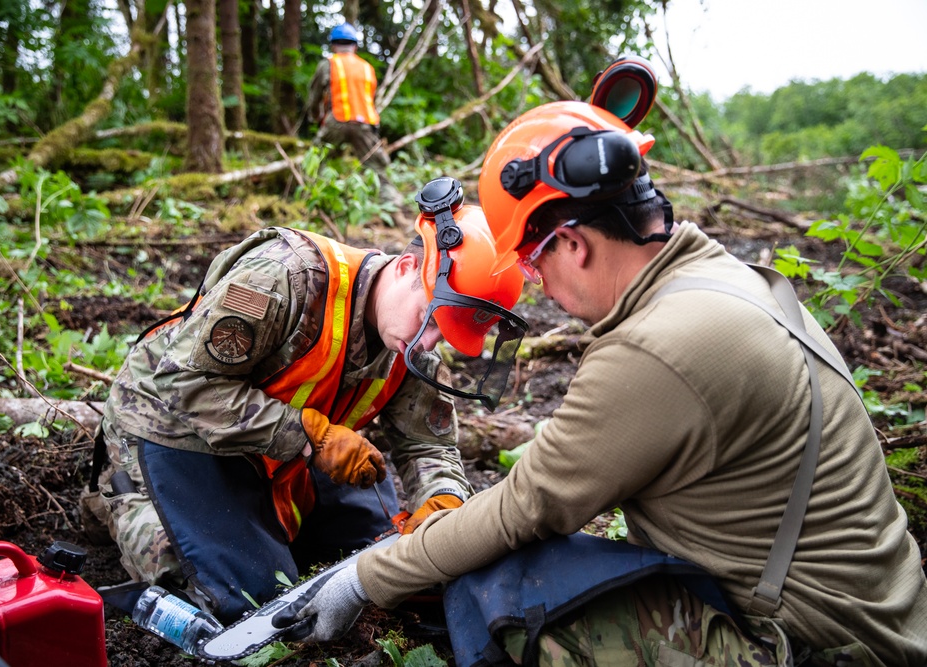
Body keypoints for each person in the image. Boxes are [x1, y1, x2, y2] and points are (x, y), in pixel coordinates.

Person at [271, 101, 927, 666]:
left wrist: (362, 577)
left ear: (574, 245)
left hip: (811, 640)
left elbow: (523, 507)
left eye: (531, 262)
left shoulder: (656, 346)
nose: (536, 283)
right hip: (880, 612)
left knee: (501, 586)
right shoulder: (730, 280)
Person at [80, 185, 528, 624]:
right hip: (175, 429)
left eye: (445, 333)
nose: (427, 342)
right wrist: (310, 435)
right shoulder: (282, 277)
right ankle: (122, 497)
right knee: (249, 606)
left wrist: (443, 502)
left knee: (397, 567)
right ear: (408, 266)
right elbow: (184, 384)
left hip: (283, 454)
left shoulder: (413, 346)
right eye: (431, 319)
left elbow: (429, 447)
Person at [304, 21, 404, 211]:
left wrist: (316, 117)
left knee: (317, 158)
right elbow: (368, 98)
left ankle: (318, 202)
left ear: (333, 45)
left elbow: (315, 96)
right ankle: (392, 207)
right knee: (377, 168)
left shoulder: (328, 64)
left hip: (338, 120)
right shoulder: (367, 67)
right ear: (355, 46)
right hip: (365, 123)